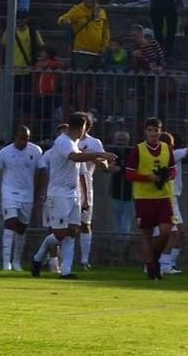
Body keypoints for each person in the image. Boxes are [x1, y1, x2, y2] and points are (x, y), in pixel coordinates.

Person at [30, 112, 117, 279]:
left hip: (73, 193)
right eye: (85, 127)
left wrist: (101, 161)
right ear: (80, 127)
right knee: (59, 234)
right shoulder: (63, 141)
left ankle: (66, 271)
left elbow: (82, 168)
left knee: (72, 231)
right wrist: (99, 154)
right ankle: (37, 258)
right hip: (59, 193)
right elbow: (75, 157)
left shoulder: (74, 143)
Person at [0, 125, 45, 271]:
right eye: (21, 139)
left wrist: (40, 193)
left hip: (27, 194)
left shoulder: (36, 151)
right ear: (15, 137)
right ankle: (6, 263)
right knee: (10, 223)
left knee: (22, 228)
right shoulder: (5, 153)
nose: (24, 142)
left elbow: (42, 171)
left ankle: (17, 261)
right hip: (10, 192)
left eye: (26, 139)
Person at [125, 117, 176, 280]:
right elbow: (129, 173)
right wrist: (149, 177)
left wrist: (167, 176)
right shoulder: (138, 150)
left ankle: (153, 257)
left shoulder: (167, 148)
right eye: (150, 130)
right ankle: (151, 267)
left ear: (160, 131)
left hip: (164, 195)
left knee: (166, 231)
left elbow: (173, 170)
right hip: (144, 197)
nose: (153, 133)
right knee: (146, 234)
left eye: (156, 130)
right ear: (145, 132)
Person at [156, 120, 188, 274]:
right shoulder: (171, 155)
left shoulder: (170, 154)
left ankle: (168, 263)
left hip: (168, 197)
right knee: (174, 233)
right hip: (168, 198)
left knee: (179, 232)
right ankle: (163, 264)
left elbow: (187, 149)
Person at [58, 0, 109, 112]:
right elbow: (61, 19)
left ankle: (90, 108)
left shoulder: (101, 12)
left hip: (96, 52)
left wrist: (104, 45)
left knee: (92, 82)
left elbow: (105, 30)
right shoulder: (77, 9)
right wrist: (65, 20)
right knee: (82, 81)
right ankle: (81, 108)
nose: (91, 0)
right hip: (81, 52)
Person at [77, 115, 108, 270]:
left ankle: (84, 261)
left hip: (86, 187)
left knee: (85, 224)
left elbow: (105, 166)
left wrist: (92, 157)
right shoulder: (68, 141)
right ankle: (56, 259)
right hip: (65, 186)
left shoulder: (94, 143)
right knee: (63, 226)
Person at [1, 13, 45, 123]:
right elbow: (2, 49)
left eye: (22, 19)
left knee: (27, 101)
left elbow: (42, 48)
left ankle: (24, 122)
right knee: (12, 100)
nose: (20, 22)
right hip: (12, 72)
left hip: (27, 72)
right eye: (18, 19)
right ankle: (10, 121)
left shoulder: (33, 33)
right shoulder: (9, 32)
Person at [33, 46, 65, 142]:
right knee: (41, 116)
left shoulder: (55, 63)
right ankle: (43, 136)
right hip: (40, 93)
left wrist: (47, 65)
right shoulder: (39, 64)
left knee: (50, 116)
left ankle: (49, 137)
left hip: (50, 94)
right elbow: (35, 70)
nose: (41, 54)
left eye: (43, 52)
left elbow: (60, 64)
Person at [106, 130, 134, 235]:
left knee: (125, 224)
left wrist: (120, 169)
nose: (120, 142)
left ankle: (123, 245)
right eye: (118, 140)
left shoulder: (132, 153)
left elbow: (134, 169)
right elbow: (107, 167)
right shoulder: (113, 153)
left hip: (129, 193)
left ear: (128, 142)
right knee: (116, 223)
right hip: (115, 191)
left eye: (123, 140)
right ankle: (118, 245)